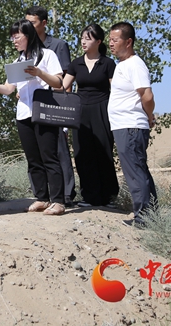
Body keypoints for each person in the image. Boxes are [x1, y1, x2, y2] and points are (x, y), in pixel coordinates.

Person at [0, 20, 66, 215]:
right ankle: (42, 198)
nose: (14, 41)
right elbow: (8, 89)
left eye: (17, 36)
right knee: (33, 159)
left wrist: (39, 73)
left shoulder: (47, 55)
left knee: (49, 156)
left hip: (44, 111)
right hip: (24, 114)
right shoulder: (18, 62)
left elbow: (58, 82)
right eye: (12, 37)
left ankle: (58, 201)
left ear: (29, 35)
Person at [25, 6, 77, 206]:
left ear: (44, 23)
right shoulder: (25, 48)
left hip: (55, 104)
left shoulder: (58, 45)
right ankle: (42, 195)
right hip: (33, 106)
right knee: (37, 155)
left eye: (33, 22)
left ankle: (66, 195)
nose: (29, 26)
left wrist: (64, 111)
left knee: (58, 152)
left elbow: (65, 79)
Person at [61, 24, 118, 207]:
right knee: (82, 153)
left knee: (104, 152)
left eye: (88, 38)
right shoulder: (76, 63)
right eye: (82, 38)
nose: (83, 42)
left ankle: (108, 196)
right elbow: (61, 86)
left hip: (102, 110)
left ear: (98, 41)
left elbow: (116, 90)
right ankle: (89, 197)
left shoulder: (108, 63)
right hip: (80, 112)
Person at [108, 22, 157, 227]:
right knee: (138, 170)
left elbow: (147, 95)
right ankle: (151, 217)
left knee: (135, 173)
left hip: (130, 126)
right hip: (123, 125)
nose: (111, 44)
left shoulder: (135, 64)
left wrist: (149, 116)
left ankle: (143, 219)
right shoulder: (123, 64)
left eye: (115, 40)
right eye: (110, 40)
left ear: (128, 42)